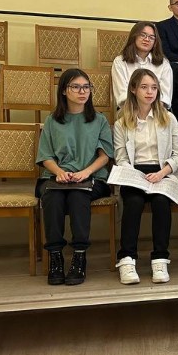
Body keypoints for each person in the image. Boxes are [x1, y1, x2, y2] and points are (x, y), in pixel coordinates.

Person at [36, 69, 113, 286]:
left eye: (86, 87)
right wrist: (59, 172)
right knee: (53, 198)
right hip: (56, 177)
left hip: (92, 177)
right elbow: (45, 156)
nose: (82, 91)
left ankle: (79, 256)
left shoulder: (99, 120)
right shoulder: (52, 120)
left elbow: (105, 155)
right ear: (63, 91)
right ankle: (55, 257)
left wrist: (85, 172)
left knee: (78, 197)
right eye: (76, 87)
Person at [113, 69, 178, 285]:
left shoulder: (168, 118)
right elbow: (121, 158)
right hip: (134, 173)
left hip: (163, 171)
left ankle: (160, 259)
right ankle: (127, 259)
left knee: (161, 202)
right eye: (144, 87)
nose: (150, 92)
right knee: (133, 202)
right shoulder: (121, 122)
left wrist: (162, 172)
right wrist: (137, 176)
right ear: (133, 89)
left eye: (154, 88)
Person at [111, 21, 174, 110]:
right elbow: (122, 95)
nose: (147, 39)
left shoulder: (163, 63)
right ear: (134, 37)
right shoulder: (120, 62)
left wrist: (150, 112)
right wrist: (140, 112)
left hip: (157, 110)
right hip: (129, 110)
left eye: (151, 37)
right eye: (143, 35)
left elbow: (165, 97)